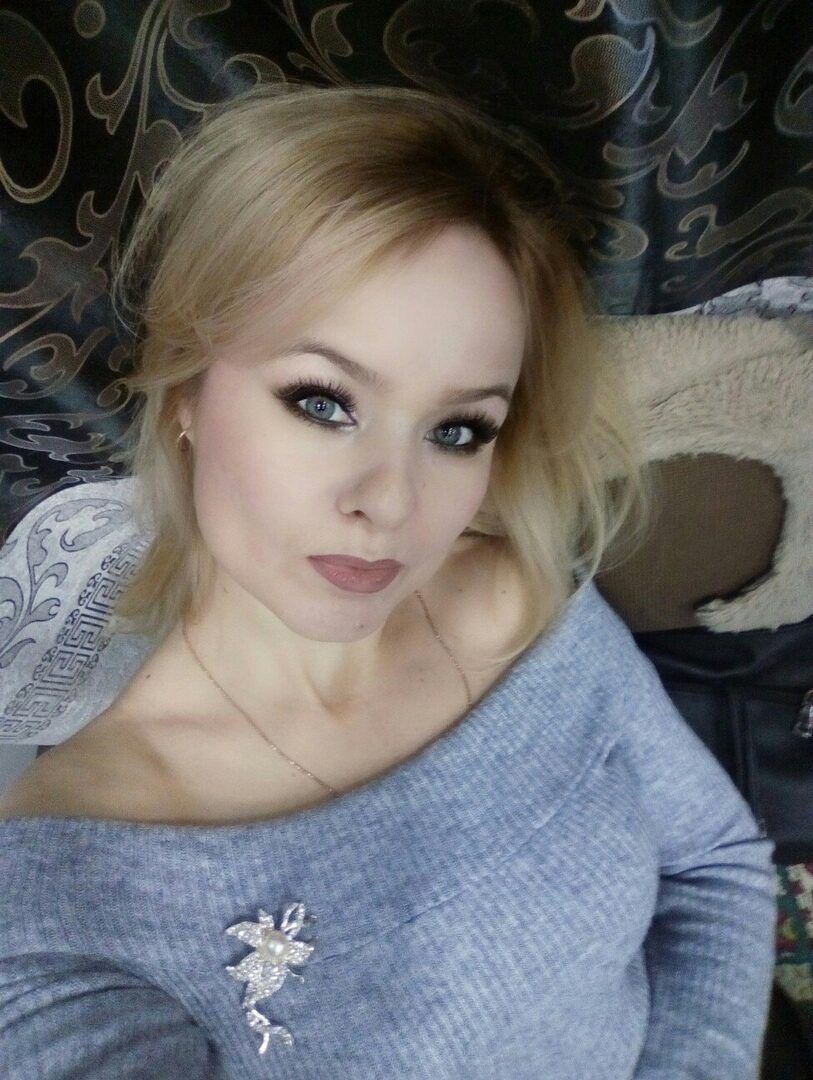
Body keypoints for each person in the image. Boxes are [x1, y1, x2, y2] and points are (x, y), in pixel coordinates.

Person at [0, 81, 776, 1078]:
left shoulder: (513, 603)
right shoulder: (69, 890)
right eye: (322, 402)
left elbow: (715, 865)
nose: (391, 502)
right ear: (185, 389)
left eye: (457, 430)